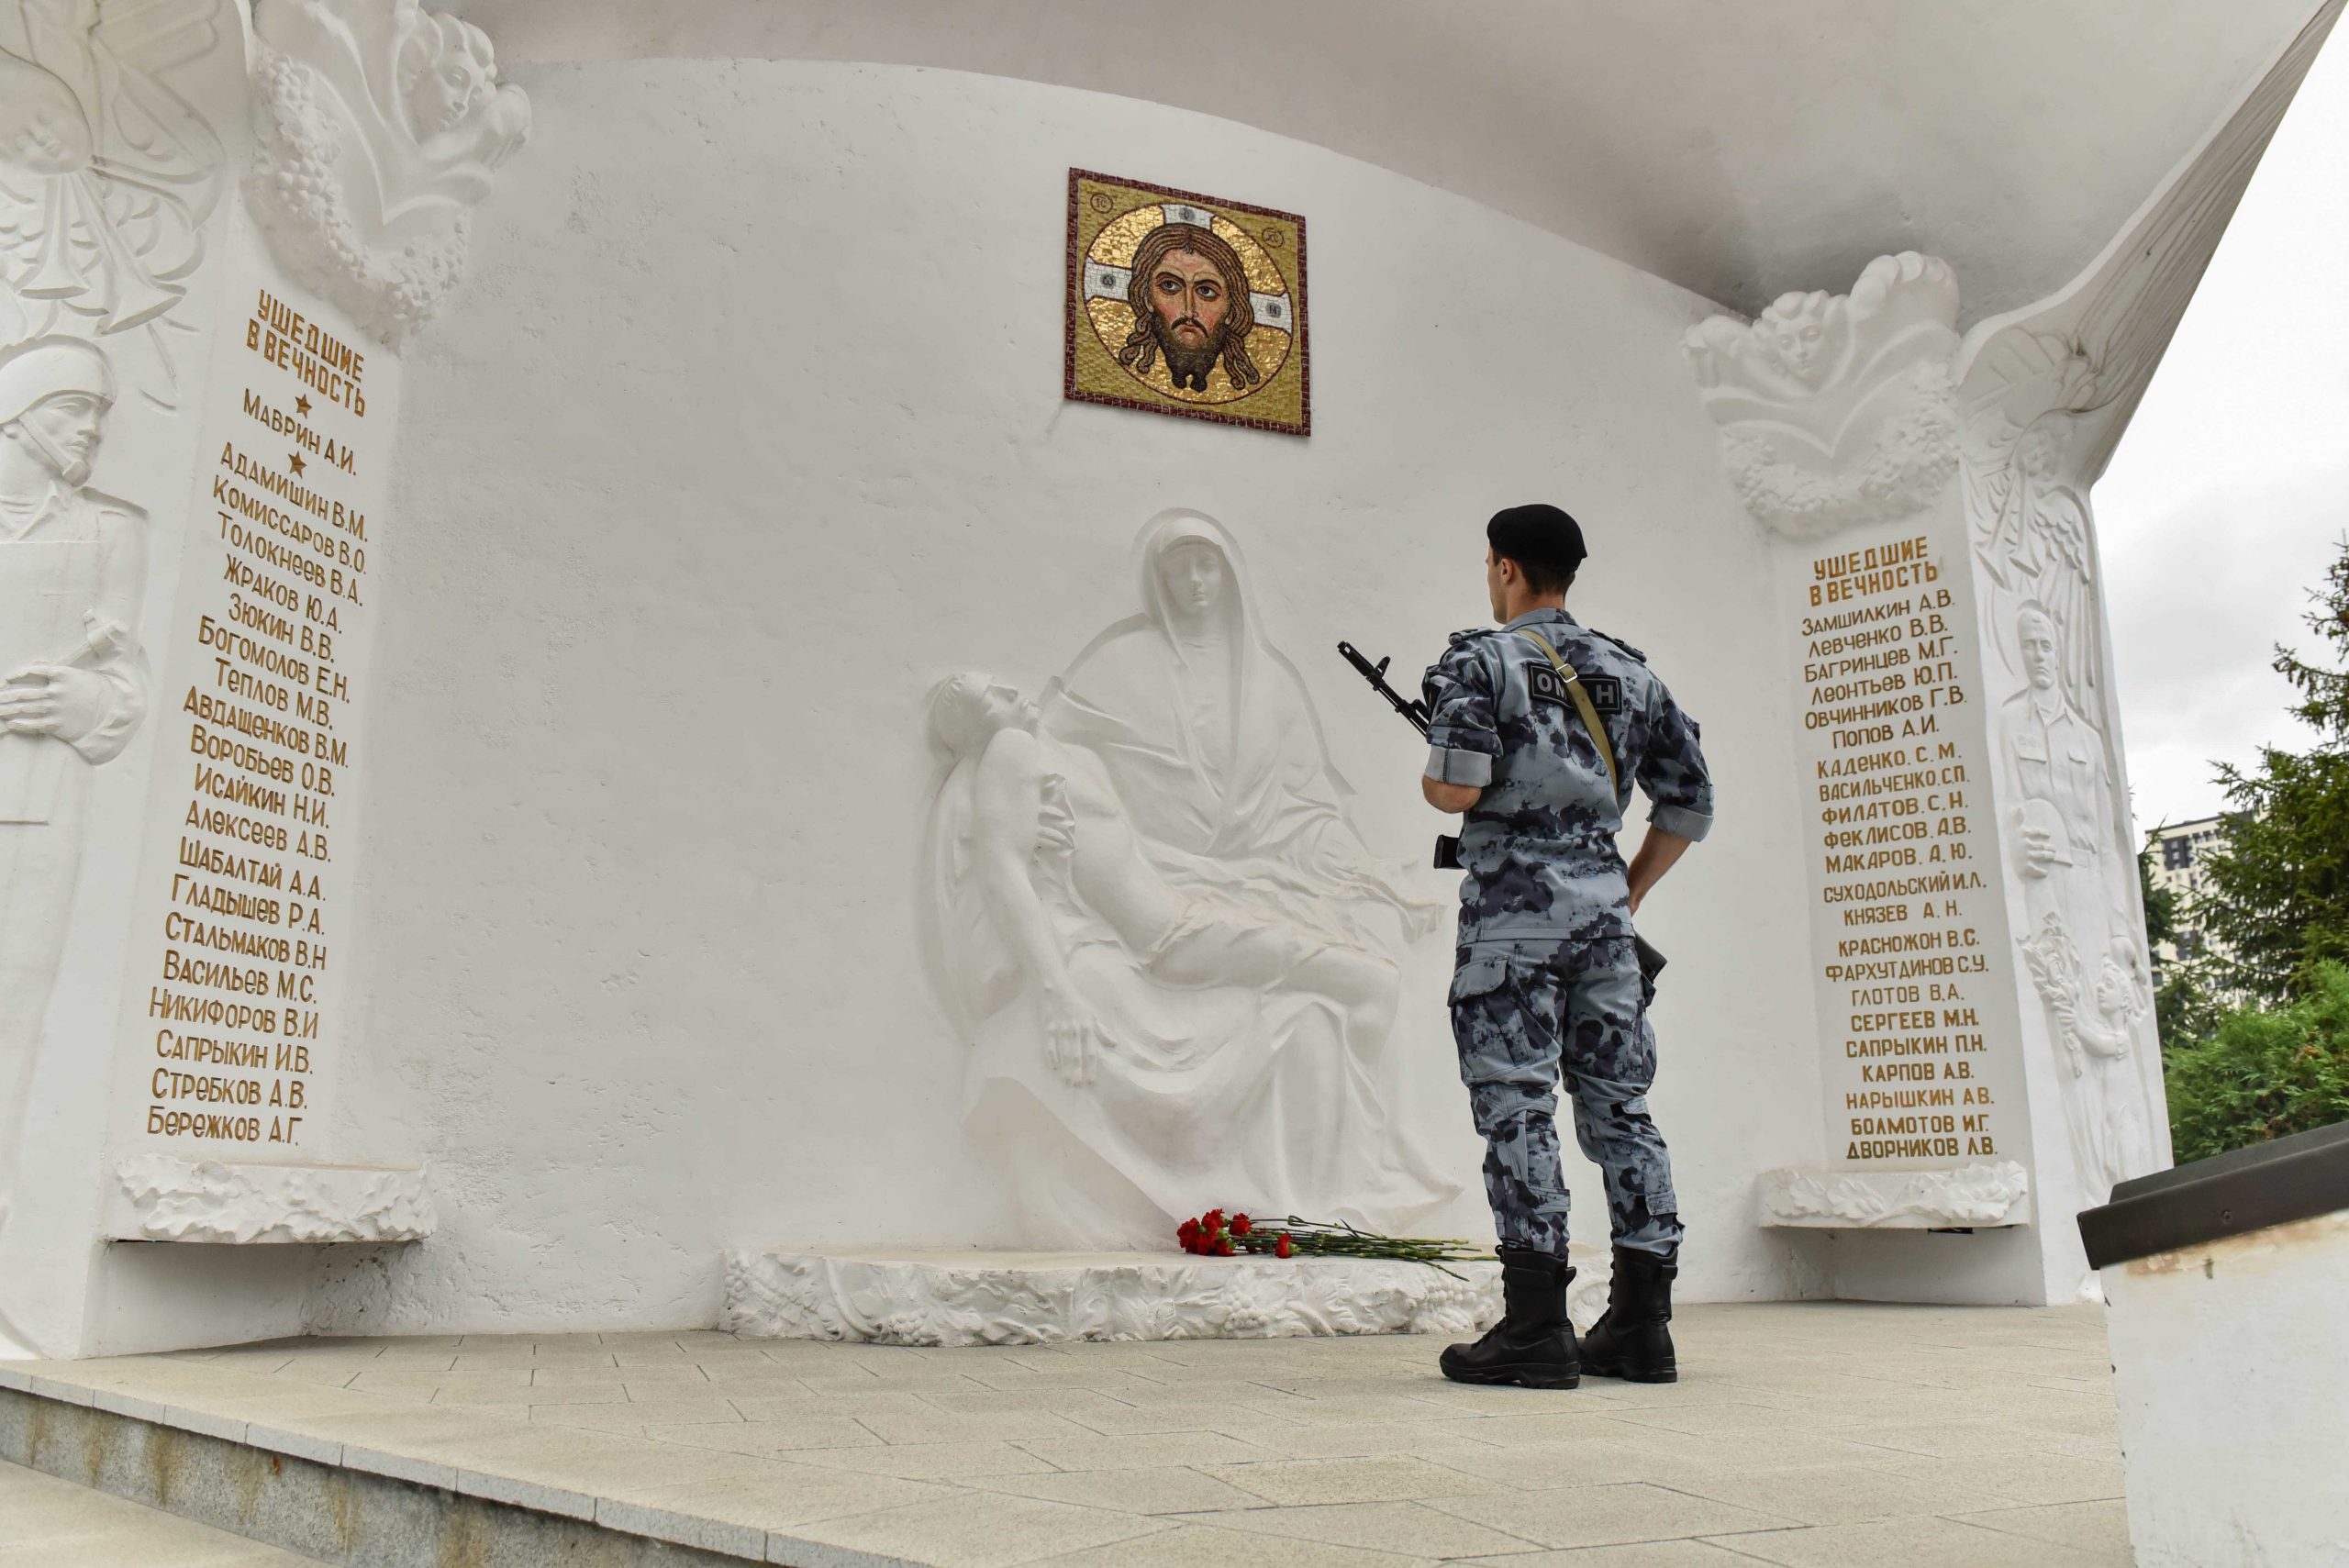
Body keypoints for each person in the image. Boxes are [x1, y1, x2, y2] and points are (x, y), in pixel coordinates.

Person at [1420, 504, 1714, 1389]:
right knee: (1621, 1109)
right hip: (1604, 931)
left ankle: (1538, 1324)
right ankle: (1640, 1325)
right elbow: (1689, 806)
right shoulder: (1633, 673)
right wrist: (1624, 891)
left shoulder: (1482, 659)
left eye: (1491, 565)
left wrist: (1444, 758)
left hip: (1512, 923)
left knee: (1518, 1107)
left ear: (1506, 568)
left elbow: (1455, 790)